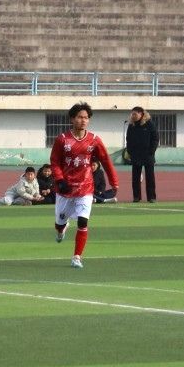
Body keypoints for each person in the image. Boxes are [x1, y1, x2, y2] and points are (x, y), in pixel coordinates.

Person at [50, 102, 122, 269]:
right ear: (72, 119)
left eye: (86, 118)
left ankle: (77, 257)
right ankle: (61, 229)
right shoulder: (62, 139)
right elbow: (54, 162)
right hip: (65, 188)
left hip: (85, 188)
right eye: (80, 117)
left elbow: (106, 161)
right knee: (60, 223)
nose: (83, 120)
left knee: (83, 222)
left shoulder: (94, 140)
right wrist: (60, 180)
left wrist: (114, 183)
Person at [124, 106, 160, 203]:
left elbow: (155, 138)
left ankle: (151, 197)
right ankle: (136, 197)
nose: (133, 116)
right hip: (135, 155)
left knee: (150, 177)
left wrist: (151, 151)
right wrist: (130, 151)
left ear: (141, 114)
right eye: (132, 114)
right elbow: (128, 139)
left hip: (148, 155)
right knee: (135, 177)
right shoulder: (131, 125)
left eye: (135, 114)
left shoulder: (149, 124)